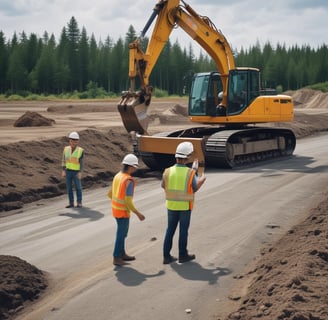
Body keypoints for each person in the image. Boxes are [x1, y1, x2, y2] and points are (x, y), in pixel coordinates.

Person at [161, 142, 206, 264]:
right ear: (187, 158)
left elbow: (163, 186)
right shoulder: (190, 173)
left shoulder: (167, 171)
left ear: (176, 157)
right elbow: (194, 188)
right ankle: (182, 255)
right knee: (183, 231)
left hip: (171, 205)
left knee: (170, 230)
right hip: (185, 206)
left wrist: (194, 170)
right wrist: (202, 180)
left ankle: (166, 256)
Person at [107, 154, 145, 266]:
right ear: (131, 167)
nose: (134, 170)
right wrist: (138, 213)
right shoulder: (128, 180)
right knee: (121, 234)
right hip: (122, 212)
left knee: (122, 234)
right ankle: (116, 257)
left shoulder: (118, 176)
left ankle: (122, 253)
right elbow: (128, 201)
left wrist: (116, 202)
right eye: (134, 167)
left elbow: (110, 194)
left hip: (116, 210)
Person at [61, 131, 84, 208]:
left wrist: (80, 172)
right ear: (70, 141)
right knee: (69, 188)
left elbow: (81, 162)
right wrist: (63, 170)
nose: (74, 142)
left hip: (76, 172)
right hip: (68, 171)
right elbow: (64, 160)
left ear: (77, 141)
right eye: (72, 140)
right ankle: (71, 203)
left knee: (78, 188)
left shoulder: (80, 150)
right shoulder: (66, 149)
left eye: (75, 140)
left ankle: (79, 202)